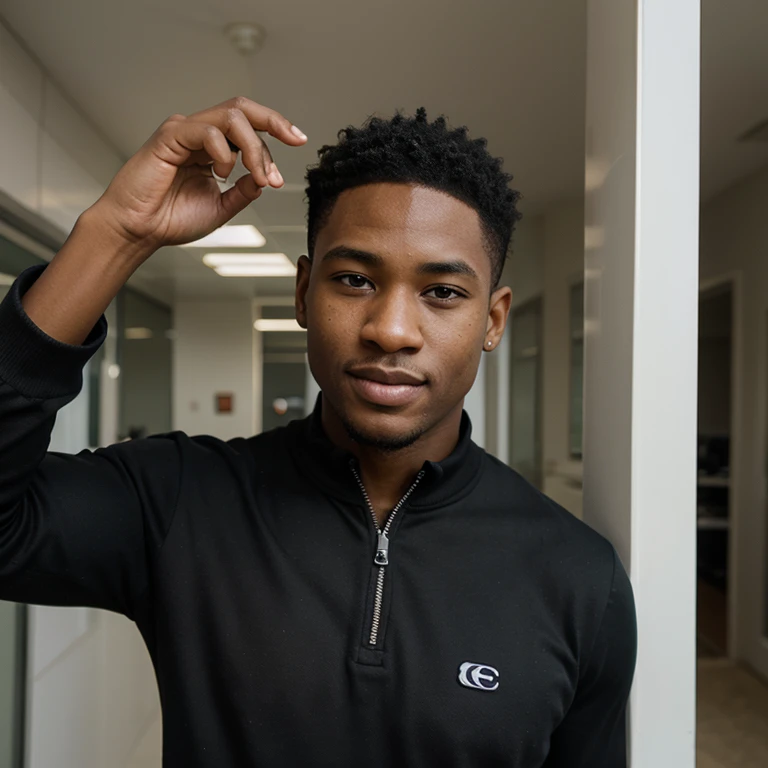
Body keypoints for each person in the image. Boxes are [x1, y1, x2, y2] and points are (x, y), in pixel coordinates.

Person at [0, 97, 636, 767]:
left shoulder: (577, 580)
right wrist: (115, 233)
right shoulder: (181, 501)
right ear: (304, 292)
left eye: (442, 292)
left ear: (493, 320)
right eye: (355, 279)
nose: (391, 329)